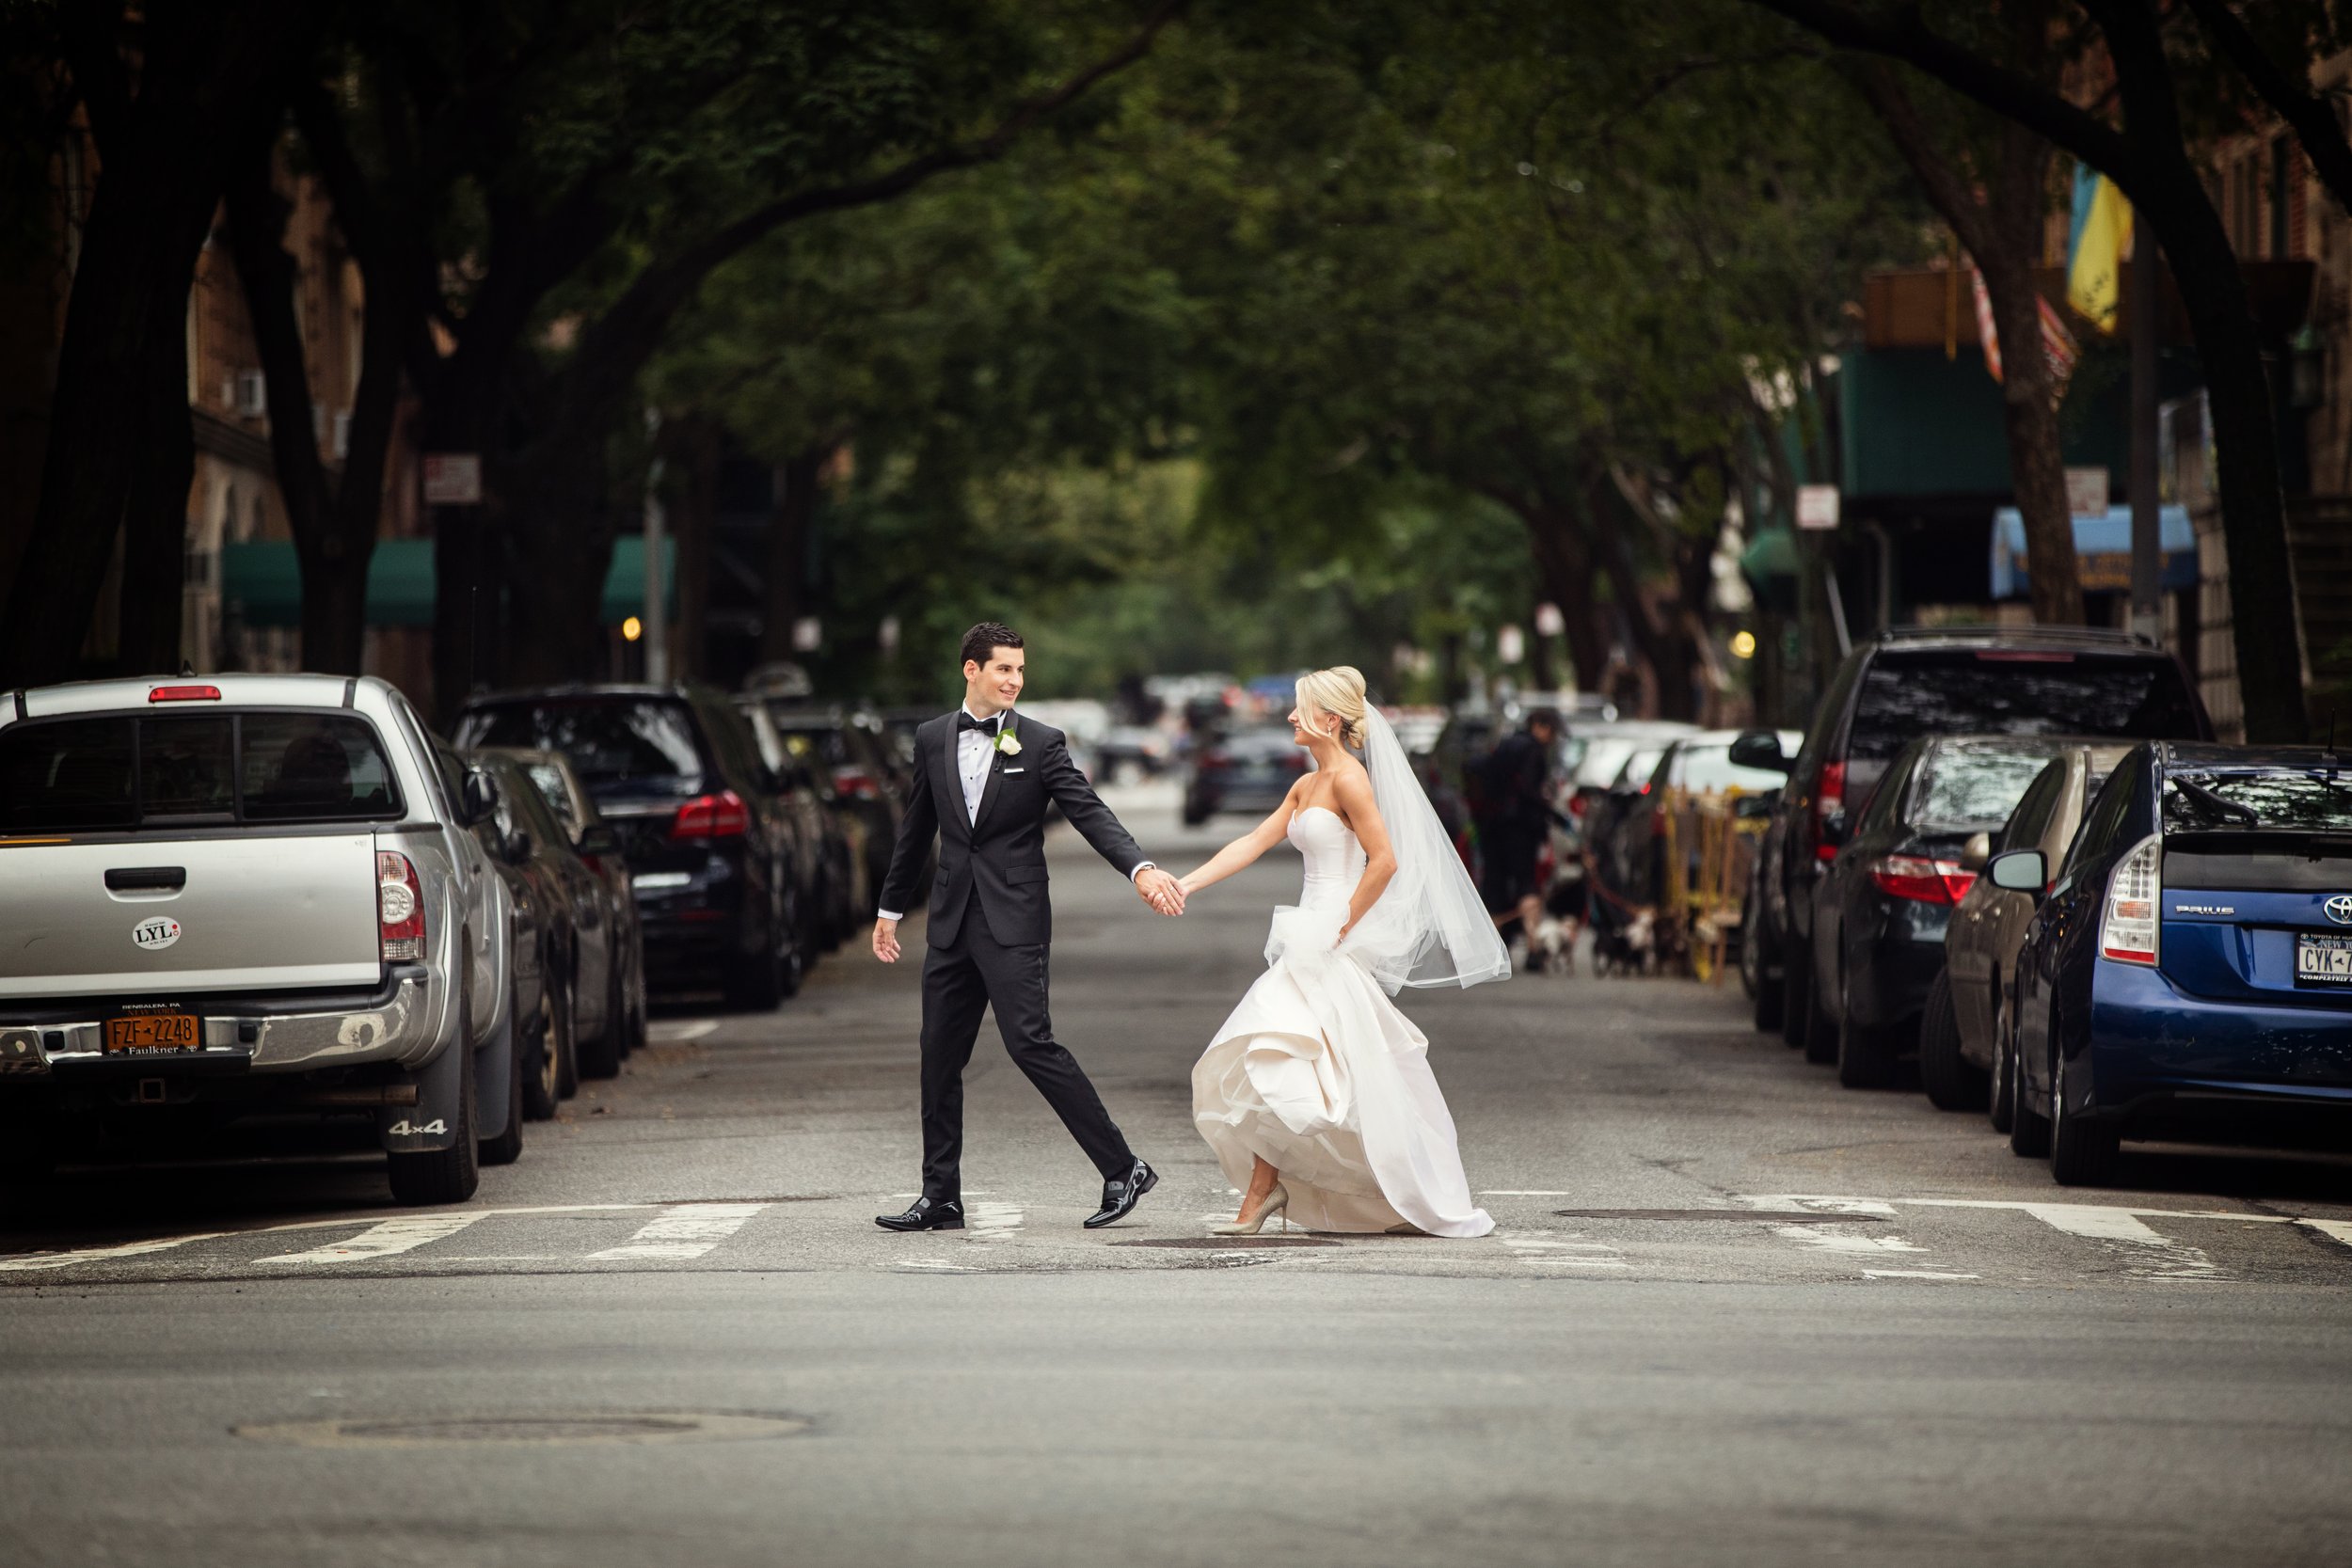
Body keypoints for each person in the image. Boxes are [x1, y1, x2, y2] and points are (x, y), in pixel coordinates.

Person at [869, 623, 1188, 1233]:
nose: (1015, 680)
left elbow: (1088, 810)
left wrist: (1139, 867)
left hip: (1014, 918)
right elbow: (916, 830)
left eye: (1019, 670)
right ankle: (941, 1196)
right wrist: (889, 910)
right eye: (1004, 669)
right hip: (949, 919)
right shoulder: (933, 737)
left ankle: (1123, 1167)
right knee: (937, 1055)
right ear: (971, 670)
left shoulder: (1041, 742)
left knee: (1029, 1043)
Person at [1176, 667, 1507, 1238]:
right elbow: (1252, 842)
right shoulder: (1305, 786)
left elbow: (1385, 861)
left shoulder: (1351, 780)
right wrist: (1186, 884)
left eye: (1299, 708)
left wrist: (1342, 924)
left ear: (1329, 719)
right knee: (1288, 1054)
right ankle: (1266, 1190)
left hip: (1333, 939)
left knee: (1334, 1065)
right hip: (1307, 937)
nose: (1288, 716)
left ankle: (1393, 1189)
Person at [1475, 707, 1563, 972]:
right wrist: (1550, 811)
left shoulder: (1505, 745)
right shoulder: (1533, 751)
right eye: (1552, 732)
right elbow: (1529, 790)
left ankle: (1489, 951)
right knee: (1527, 885)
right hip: (1522, 828)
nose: (1552, 739)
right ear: (1540, 726)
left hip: (1492, 827)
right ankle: (1534, 949)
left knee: (1495, 886)